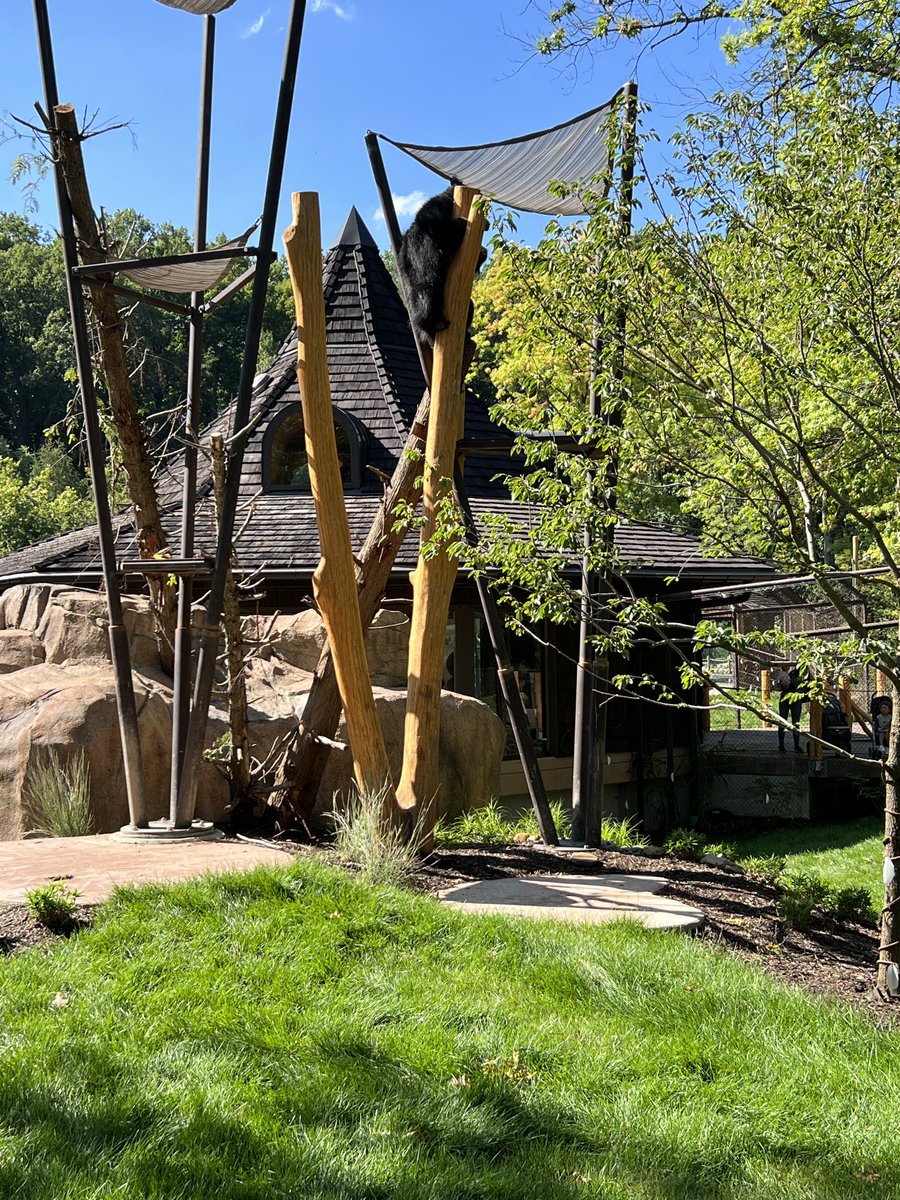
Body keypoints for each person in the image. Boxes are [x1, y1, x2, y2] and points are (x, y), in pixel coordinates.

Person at [773, 664, 806, 753]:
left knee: (795, 722)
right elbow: (778, 686)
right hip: (787, 697)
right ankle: (782, 745)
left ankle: (796, 745)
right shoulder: (788, 675)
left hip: (795, 698)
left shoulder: (803, 675)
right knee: (783, 721)